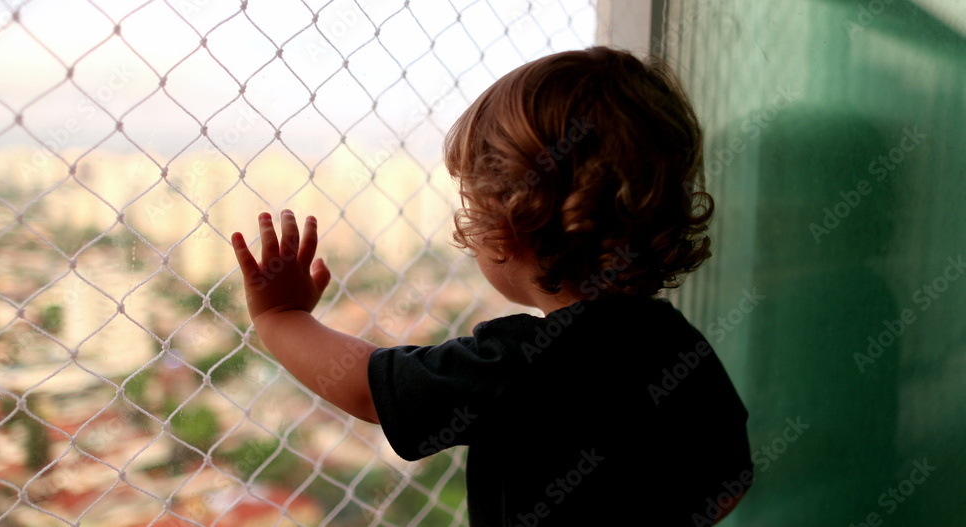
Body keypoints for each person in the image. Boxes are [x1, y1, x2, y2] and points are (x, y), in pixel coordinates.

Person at [231, 46, 752, 526]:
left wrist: (280, 317)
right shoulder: (675, 338)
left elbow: (369, 391)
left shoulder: (523, 362)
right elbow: (731, 481)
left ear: (511, 227)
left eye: (474, 206)